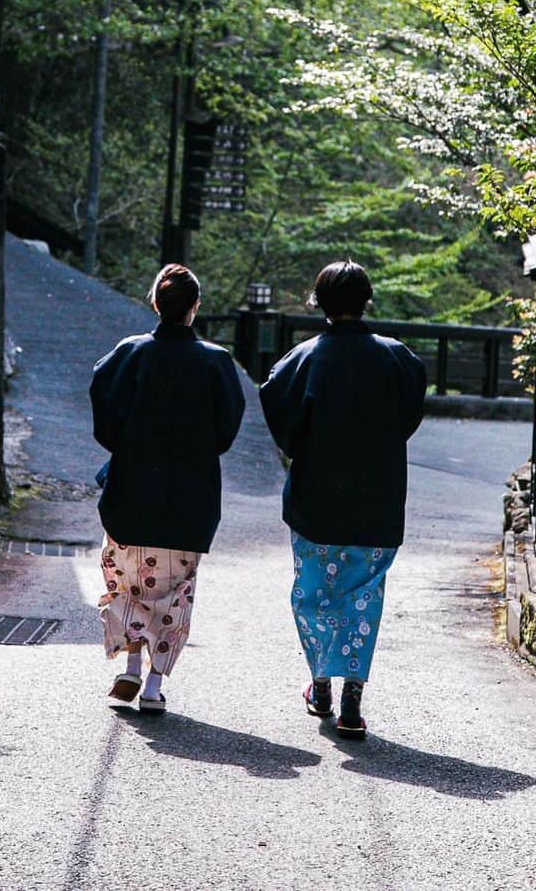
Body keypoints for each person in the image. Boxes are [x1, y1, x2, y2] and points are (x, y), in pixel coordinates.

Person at [259, 259, 426, 740]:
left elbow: (278, 409)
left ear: (320, 303)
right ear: (366, 301)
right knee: (362, 599)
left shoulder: (303, 359)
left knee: (311, 594)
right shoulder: (398, 359)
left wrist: (305, 445)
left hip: (317, 501)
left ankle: (320, 682)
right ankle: (353, 692)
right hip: (378, 499)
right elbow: (408, 416)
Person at [90, 263, 245, 713]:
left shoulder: (129, 354)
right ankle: (154, 686)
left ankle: (131, 668)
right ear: (194, 308)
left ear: (155, 303)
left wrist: (128, 442)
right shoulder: (216, 362)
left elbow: (105, 416)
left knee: (128, 584)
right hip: (189, 499)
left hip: (131, 491)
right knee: (175, 592)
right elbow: (225, 432)